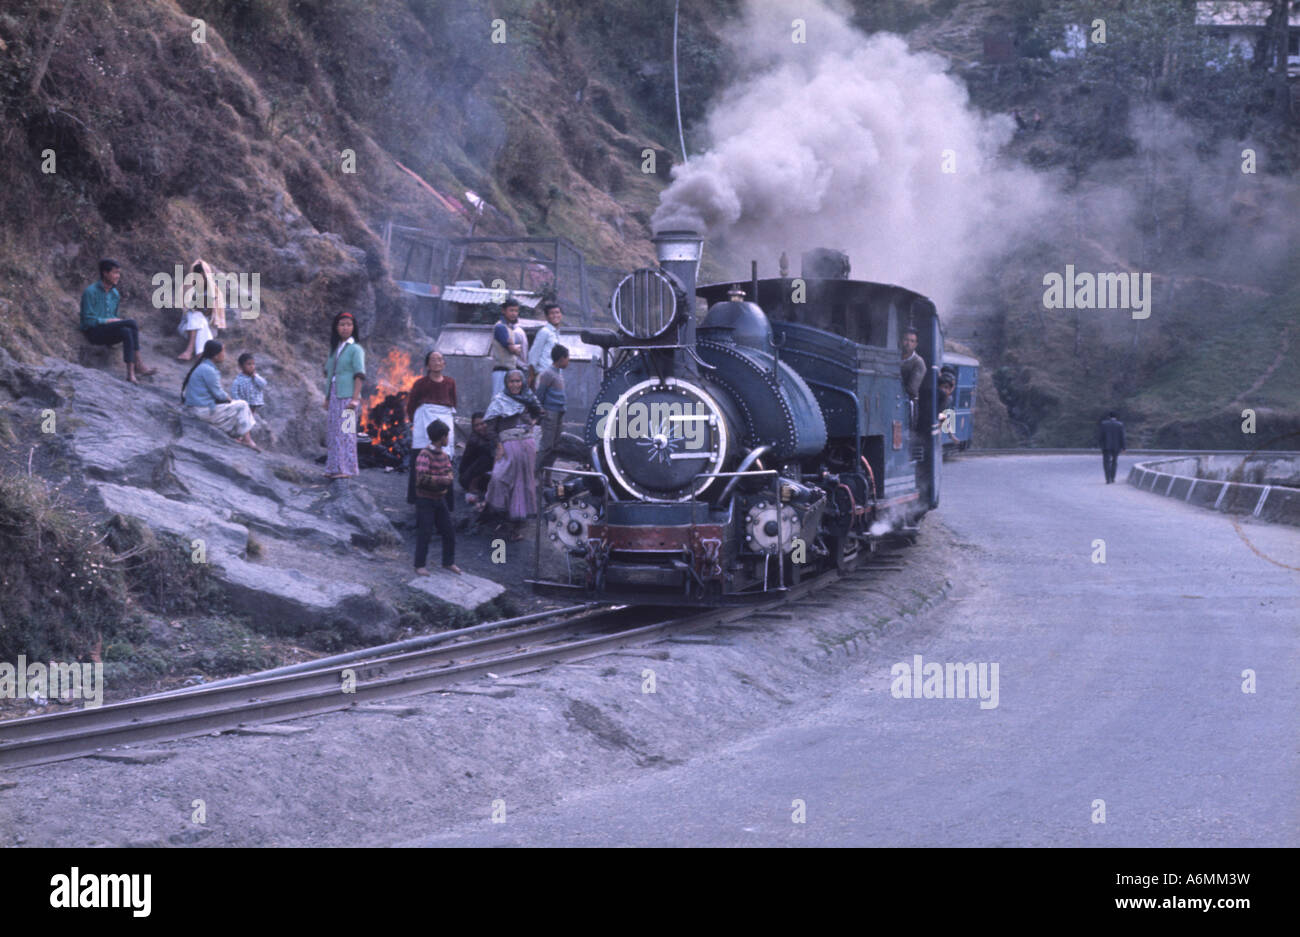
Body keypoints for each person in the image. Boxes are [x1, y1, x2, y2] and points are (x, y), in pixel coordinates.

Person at [483, 369, 542, 541]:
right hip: (508, 447)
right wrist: (498, 445)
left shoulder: (528, 397)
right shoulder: (499, 401)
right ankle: (498, 522)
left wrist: (532, 423)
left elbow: (538, 411)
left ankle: (515, 528)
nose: (515, 385)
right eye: (511, 381)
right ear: (506, 383)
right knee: (499, 478)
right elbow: (491, 428)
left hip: (527, 445)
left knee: (523, 484)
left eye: (518, 381)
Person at [79, 259, 156, 383]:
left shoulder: (115, 294)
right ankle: (139, 364)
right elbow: (87, 321)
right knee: (132, 323)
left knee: (126, 331)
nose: (118, 276)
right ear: (105, 273)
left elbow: (114, 316)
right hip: (94, 333)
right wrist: (108, 321)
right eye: (115, 273)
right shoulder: (90, 292)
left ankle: (130, 373)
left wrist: (113, 321)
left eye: (119, 273)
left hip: (108, 333)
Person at [180, 340, 258, 450]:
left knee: (236, 406)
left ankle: (241, 437)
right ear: (216, 356)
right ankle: (247, 440)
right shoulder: (208, 370)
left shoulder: (204, 366)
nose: (224, 354)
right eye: (223, 351)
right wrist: (229, 400)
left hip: (198, 407)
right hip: (200, 411)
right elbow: (219, 394)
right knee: (243, 405)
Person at [405, 350, 458, 504]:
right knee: (422, 452)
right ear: (428, 364)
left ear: (444, 363)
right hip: (424, 419)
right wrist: (414, 420)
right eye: (433, 360)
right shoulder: (420, 383)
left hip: (444, 417)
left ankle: (445, 499)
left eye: (440, 359)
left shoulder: (450, 382)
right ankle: (418, 497)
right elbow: (412, 405)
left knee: (444, 453)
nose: (437, 362)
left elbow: (453, 402)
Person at [413, 419, 461, 576]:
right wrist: (441, 480)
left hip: (440, 499)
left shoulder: (444, 455)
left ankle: (448, 562)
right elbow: (421, 478)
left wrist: (447, 478)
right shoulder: (424, 455)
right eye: (447, 436)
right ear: (442, 437)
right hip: (425, 500)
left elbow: (449, 471)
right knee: (425, 533)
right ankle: (419, 565)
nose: (448, 439)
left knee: (449, 531)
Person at [322, 312, 366, 479]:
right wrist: (327, 397)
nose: (345, 327)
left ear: (353, 327)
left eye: (349, 324)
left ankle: (346, 469)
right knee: (334, 432)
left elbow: (359, 374)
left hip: (348, 396)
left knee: (346, 432)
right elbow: (330, 373)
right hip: (335, 394)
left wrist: (355, 399)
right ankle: (334, 467)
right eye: (342, 324)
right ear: (336, 327)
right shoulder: (336, 349)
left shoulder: (356, 349)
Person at [535, 343, 569, 474]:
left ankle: (548, 476)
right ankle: (534, 473)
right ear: (561, 358)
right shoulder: (548, 374)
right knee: (547, 445)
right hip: (550, 413)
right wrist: (539, 410)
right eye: (568, 358)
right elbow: (540, 393)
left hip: (559, 412)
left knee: (555, 447)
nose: (568, 361)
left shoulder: (558, 373)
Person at [489, 297, 528, 398]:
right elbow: (514, 350)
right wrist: (515, 347)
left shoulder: (509, 327)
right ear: (503, 310)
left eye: (516, 311)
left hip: (509, 372)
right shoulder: (501, 327)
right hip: (501, 371)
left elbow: (515, 348)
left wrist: (514, 346)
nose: (514, 313)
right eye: (511, 310)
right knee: (498, 400)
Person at [459, 412, 495, 504]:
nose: (480, 427)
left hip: (483, 477)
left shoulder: (490, 436)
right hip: (468, 478)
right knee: (486, 459)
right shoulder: (474, 439)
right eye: (476, 425)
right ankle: (472, 489)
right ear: (473, 427)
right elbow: (489, 451)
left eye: (482, 424)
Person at [527, 302, 563, 388]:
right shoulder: (544, 332)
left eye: (557, 312)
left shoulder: (556, 333)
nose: (555, 315)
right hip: (544, 375)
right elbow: (533, 355)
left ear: (561, 315)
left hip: (555, 375)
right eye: (552, 313)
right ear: (547, 317)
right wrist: (532, 377)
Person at [1098, 410, 1126, 484]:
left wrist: (1100, 445)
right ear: (1116, 417)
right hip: (1116, 447)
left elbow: (1101, 436)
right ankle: (1112, 477)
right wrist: (1123, 447)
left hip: (1106, 446)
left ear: (1109, 416)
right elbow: (1122, 437)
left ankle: (1107, 479)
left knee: (1106, 462)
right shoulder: (1120, 425)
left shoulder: (1104, 424)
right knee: (1114, 461)